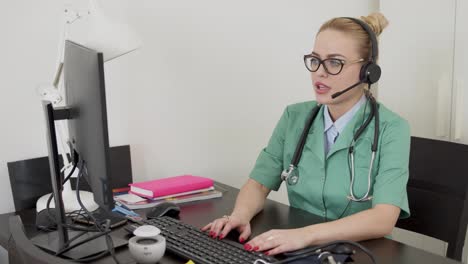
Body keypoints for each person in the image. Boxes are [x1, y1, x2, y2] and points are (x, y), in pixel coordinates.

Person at [202, 12, 410, 256]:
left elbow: (383, 218)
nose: (319, 73)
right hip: (299, 250)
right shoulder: (294, 117)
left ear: (368, 72)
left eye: (335, 62)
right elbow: (259, 184)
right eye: (315, 60)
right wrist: (240, 215)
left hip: (361, 253)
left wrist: (306, 235)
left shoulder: (392, 128)